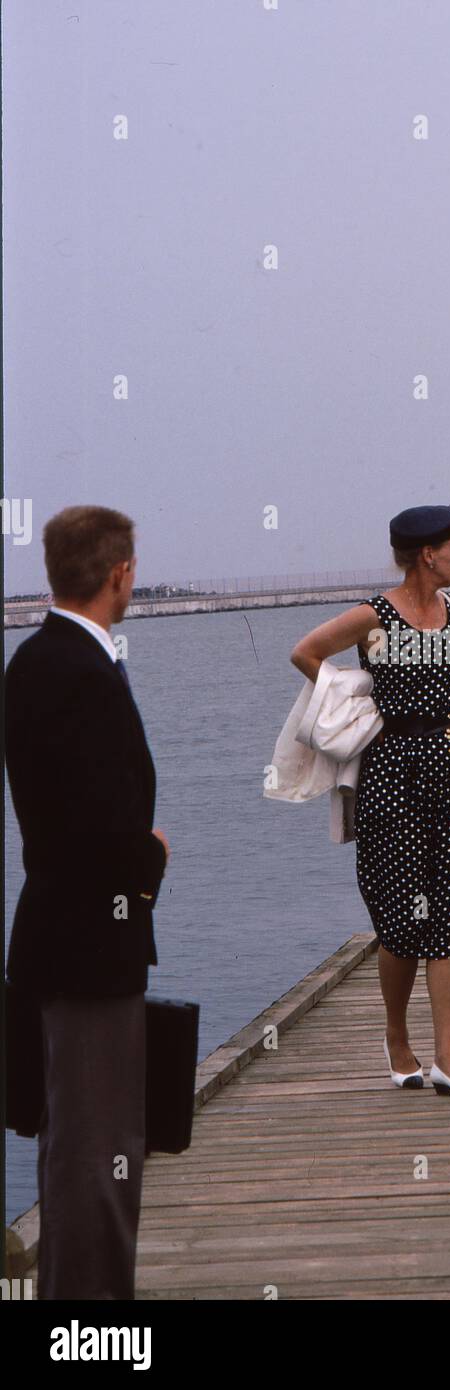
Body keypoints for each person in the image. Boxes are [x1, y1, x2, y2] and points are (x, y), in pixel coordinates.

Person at [5, 505, 170, 1297]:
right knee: (97, 1161)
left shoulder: (33, 661)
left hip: (50, 940)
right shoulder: (85, 676)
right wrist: (150, 862)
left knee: (72, 1147)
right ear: (121, 574)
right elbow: (98, 827)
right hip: (89, 953)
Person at [290, 505, 450, 1097]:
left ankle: (448, 1058)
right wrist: (352, 705)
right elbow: (306, 652)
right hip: (392, 770)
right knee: (401, 919)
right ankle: (397, 1038)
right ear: (427, 554)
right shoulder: (373, 616)